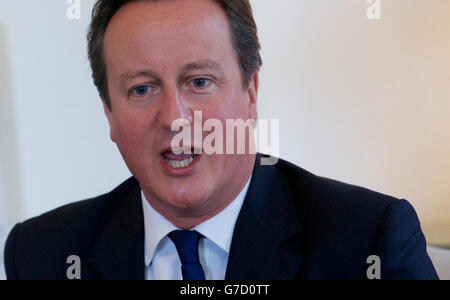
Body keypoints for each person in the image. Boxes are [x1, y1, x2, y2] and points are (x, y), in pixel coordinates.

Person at [3, 0, 438, 280]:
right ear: (109, 113)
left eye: (199, 81)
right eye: (141, 88)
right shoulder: (42, 254)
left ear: (250, 93)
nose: (174, 118)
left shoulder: (369, 240)